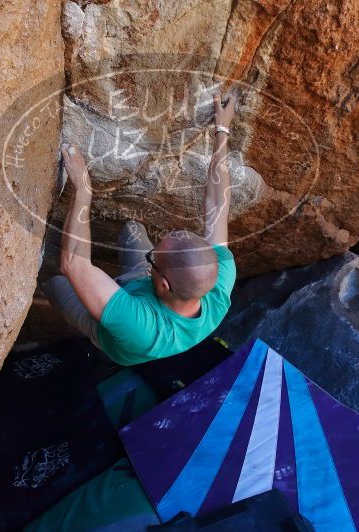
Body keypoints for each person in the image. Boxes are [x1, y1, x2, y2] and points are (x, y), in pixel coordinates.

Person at [43, 91, 238, 366]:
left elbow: (73, 265)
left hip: (115, 330)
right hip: (144, 291)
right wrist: (222, 129)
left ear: (163, 283)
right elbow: (218, 204)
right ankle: (119, 277)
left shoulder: (143, 327)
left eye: (153, 258)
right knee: (133, 229)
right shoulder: (217, 284)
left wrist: (83, 189)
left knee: (57, 282)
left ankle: (46, 288)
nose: (151, 256)